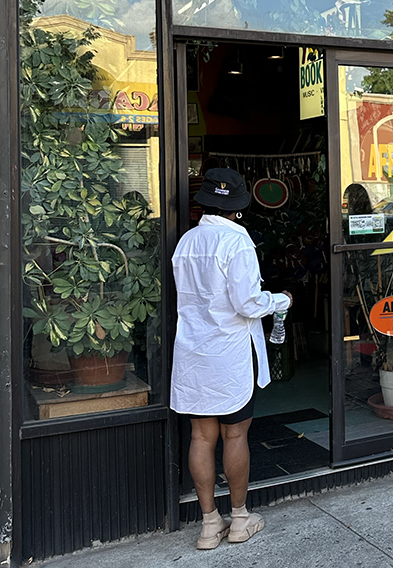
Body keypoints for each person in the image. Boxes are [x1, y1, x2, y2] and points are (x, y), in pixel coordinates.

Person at [170, 167, 290, 550]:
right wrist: (281, 300)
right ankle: (239, 518)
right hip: (230, 353)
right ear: (238, 207)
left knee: (201, 437)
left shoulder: (185, 243)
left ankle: (208, 525)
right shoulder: (238, 243)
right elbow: (247, 303)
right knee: (235, 433)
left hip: (192, 352)